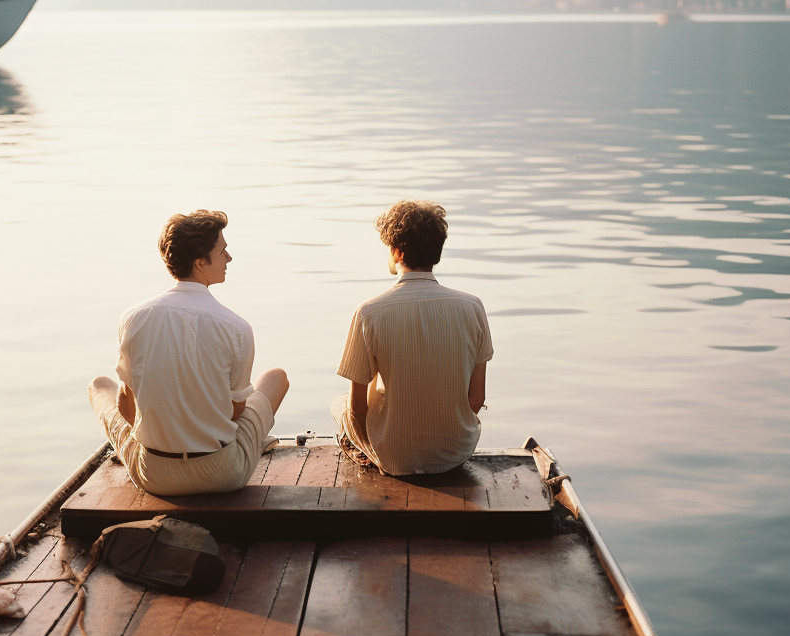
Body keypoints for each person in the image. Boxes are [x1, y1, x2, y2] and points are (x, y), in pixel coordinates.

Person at [89, 209, 288, 496]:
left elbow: (126, 404)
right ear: (200, 262)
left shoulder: (132, 317)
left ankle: (140, 445)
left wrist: (162, 432)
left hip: (154, 475)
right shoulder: (236, 326)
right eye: (223, 251)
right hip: (221, 474)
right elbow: (235, 412)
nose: (229, 258)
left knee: (100, 386)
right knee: (275, 377)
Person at [332, 200, 493, 475]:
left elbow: (357, 408)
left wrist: (374, 450)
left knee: (339, 405)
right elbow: (475, 399)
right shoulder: (473, 307)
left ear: (397, 251)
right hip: (456, 453)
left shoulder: (368, 313)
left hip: (395, 460)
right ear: (436, 252)